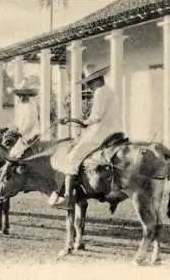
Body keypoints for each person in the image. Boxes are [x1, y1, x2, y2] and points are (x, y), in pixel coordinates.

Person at [49, 64, 123, 206]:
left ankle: (67, 197)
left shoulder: (100, 92)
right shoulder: (110, 92)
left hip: (102, 132)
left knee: (71, 157)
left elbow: (95, 118)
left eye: (89, 82)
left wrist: (77, 121)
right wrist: (75, 120)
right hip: (115, 130)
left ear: (98, 80)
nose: (88, 86)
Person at [7, 79, 40, 159]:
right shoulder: (21, 107)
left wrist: (20, 132)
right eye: (20, 95)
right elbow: (16, 122)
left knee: (14, 154)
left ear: (28, 96)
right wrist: (9, 128)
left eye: (24, 95)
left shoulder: (30, 106)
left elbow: (30, 124)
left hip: (30, 135)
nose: (21, 97)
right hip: (21, 135)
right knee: (9, 150)